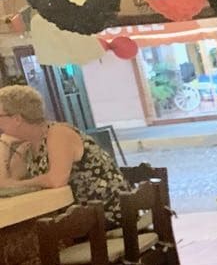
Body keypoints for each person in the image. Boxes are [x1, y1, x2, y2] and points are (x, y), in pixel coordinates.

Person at [0, 84, 130, 226]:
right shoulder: (27, 146)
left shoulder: (58, 133)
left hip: (108, 215)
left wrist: (16, 184)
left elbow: (56, 180)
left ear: (17, 119)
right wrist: (3, 146)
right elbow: (7, 186)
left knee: (36, 238)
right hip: (76, 217)